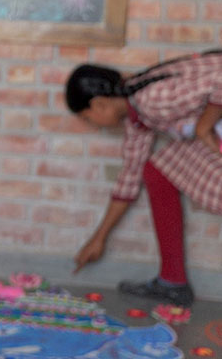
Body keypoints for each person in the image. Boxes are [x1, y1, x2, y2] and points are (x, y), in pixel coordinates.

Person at [66, 50, 222, 307]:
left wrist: (204, 126)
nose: (93, 124)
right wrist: (99, 237)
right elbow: (129, 178)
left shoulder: (152, 99)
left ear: (99, 104)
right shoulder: (139, 116)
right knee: (157, 170)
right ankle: (172, 282)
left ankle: (173, 281)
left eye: (87, 117)